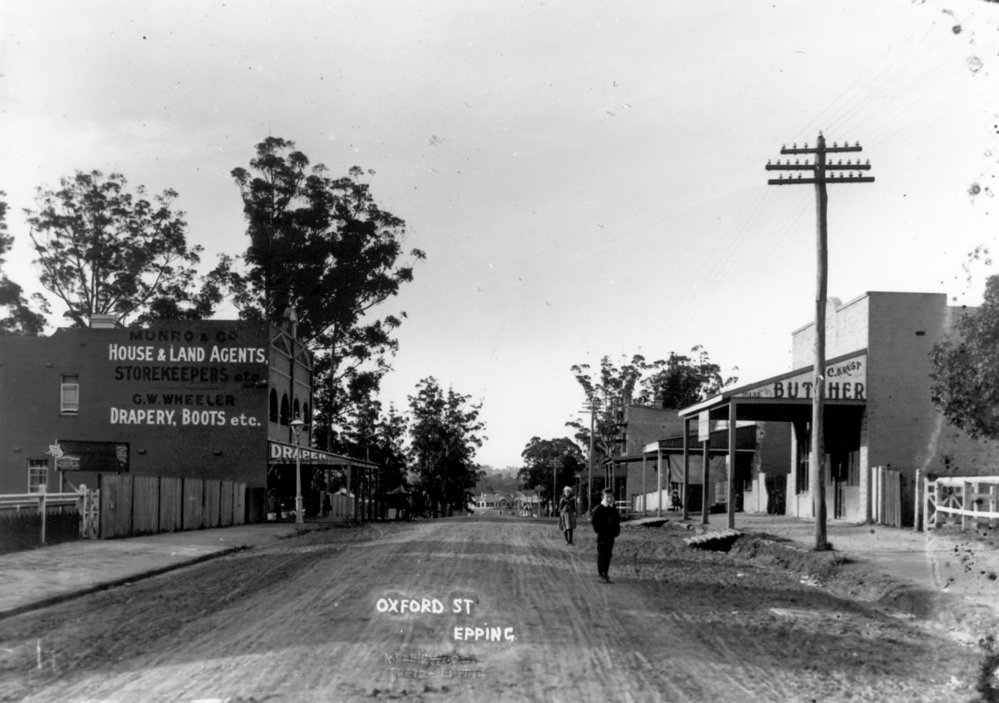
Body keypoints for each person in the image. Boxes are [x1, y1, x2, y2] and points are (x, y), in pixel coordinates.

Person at [591, 488, 621, 583]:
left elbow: (617, 521)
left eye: (611, 497)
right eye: (607, 497)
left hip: (611, 535)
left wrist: (616, 531)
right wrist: (599, 530)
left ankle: (606, 573)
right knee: (602, 555)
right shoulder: (599, 509)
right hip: (602, 535)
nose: (609, 499)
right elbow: (594, 522)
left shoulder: (613, 508)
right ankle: (601, 574)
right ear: (603, 497)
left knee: (608, 554)